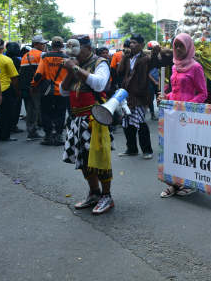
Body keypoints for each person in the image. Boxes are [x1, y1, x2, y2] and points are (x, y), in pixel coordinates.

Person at [61, 35, 114, 215]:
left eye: (77, 49)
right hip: (76, 119)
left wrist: (75, 67)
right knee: (83, 159)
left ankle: (106, 196)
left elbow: (99, 85)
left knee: (100, 159)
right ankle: (94, 193)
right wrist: (70, 71)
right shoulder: (75, 64)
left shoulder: (100, 62)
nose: (74, 53)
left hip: (94, 119)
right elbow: (62, 90)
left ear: (87, 47)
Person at [160, 33, 208, 198]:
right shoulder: (174, 66)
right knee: (173, 149)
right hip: (172, 114)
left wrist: (187, 106)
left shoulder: (196, 67)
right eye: (176, 46)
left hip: (188, 116)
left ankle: (189, 183)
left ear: (188, 47)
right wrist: (165, 97)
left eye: (182, 46)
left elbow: (203, 93)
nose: (178, 49)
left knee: (187, 150)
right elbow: (174, 91)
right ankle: (174, 184)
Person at [117, 34, 163, 159]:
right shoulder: (127, 58)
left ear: (142, 45)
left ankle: (147, 151)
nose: (131, 45)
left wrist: (154, 53)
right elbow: (119, 72)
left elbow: (155, 63)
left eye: (134, 43)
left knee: (141, 123)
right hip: (126, 95)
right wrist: (123, 57)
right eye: (130, 42)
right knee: (127, 124)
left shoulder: (145, 58)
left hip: (139, 96)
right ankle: (131, 149)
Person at [33, 36, 68, 146]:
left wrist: (33, 85)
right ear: (62, 46)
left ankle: (48, 136)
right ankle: (58, 135)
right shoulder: (66, 58)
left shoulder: (45, 57)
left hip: (47, 91)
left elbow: (39, 74)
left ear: (51, 45)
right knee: (60, 113)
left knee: (46, 113)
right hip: (62, 91)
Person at [0, 37, 19, 142]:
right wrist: (17, 91)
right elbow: (14, 78)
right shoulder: (7, 60)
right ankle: (4, 136)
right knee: (5, 115)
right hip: (5, 90)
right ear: (3, 47)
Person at [20, 35, 47, 141]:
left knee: (29, 109)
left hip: (26, 87)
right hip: (36, 86)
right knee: (35, 109)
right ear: (36, 44)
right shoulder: (42, 55)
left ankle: (31, 129)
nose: (44, 45)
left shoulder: (25, 55)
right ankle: (32, 132)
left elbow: (21, 73)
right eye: (42, 43)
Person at [5, 42, 23, 133]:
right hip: (15, 85)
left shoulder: (5, 59)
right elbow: (18, 75)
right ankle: (13, 126)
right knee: (15, 107)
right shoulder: (17, 60)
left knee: (6, 108)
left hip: (5, 86)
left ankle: (6, 125)